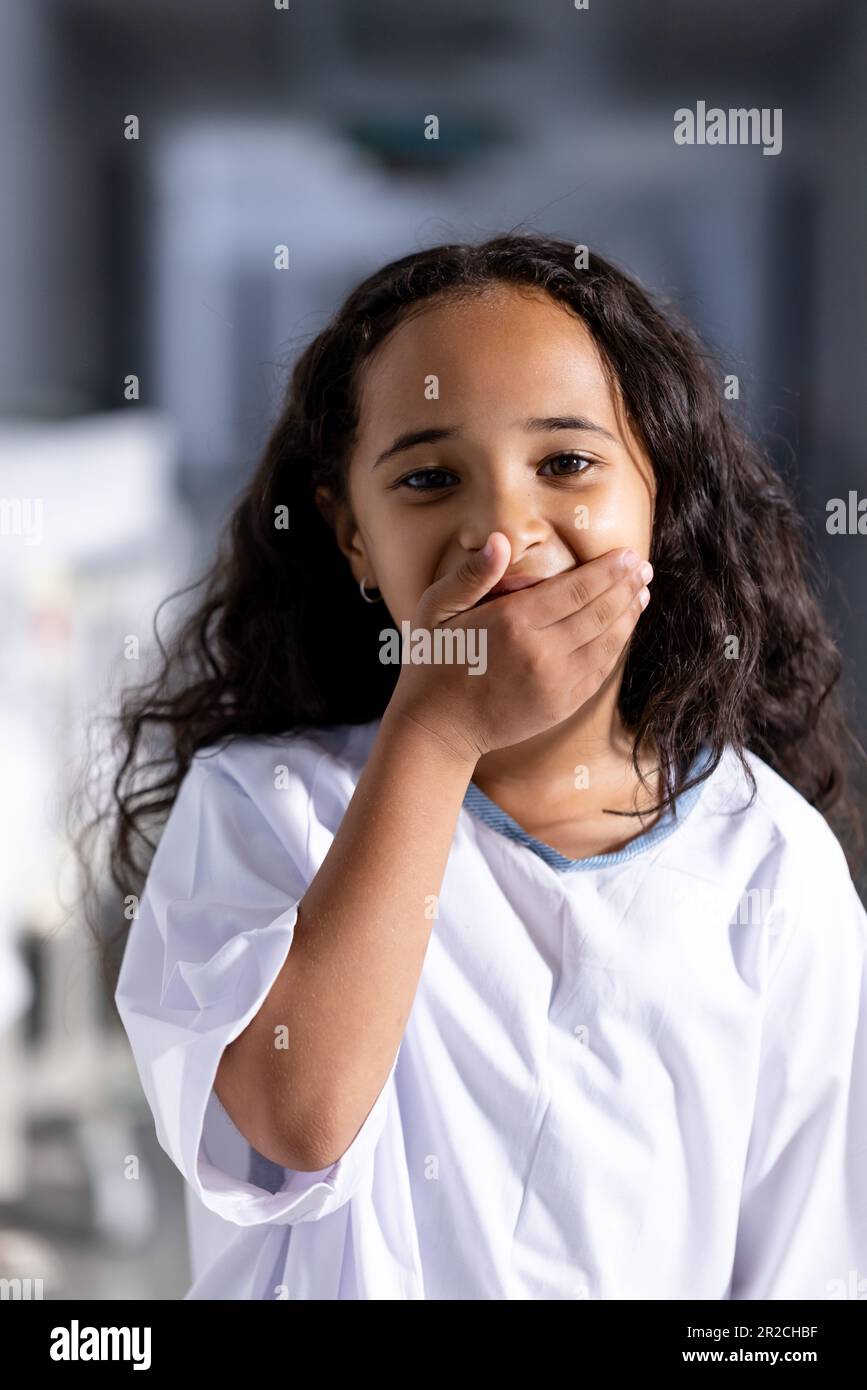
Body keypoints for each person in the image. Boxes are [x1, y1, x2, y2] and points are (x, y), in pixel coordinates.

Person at [103, 234, 867, 1299]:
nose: (502, 528)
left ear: (661, 487)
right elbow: (293, 1120)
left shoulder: (770, 864)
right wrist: (438, 728)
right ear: (353, 537)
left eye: (565, 462)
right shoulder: (262, 809)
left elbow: (800, 1279)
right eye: (427, 477)